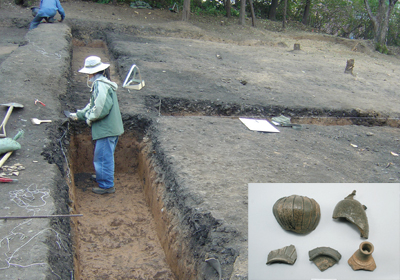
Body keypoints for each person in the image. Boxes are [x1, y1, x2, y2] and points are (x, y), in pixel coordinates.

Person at [69, 56, 124, 194]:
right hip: (110, 128)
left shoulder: (101, 85)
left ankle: (106, 185)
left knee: (103, 158)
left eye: (88, 73)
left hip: (106, 129)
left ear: (93, 72)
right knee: (103, 156)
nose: (88, 76)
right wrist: (80, 114)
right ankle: (102, 177)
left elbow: (100, 109)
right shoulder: (102, 84)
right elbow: (93, 104)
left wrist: (88, 117)